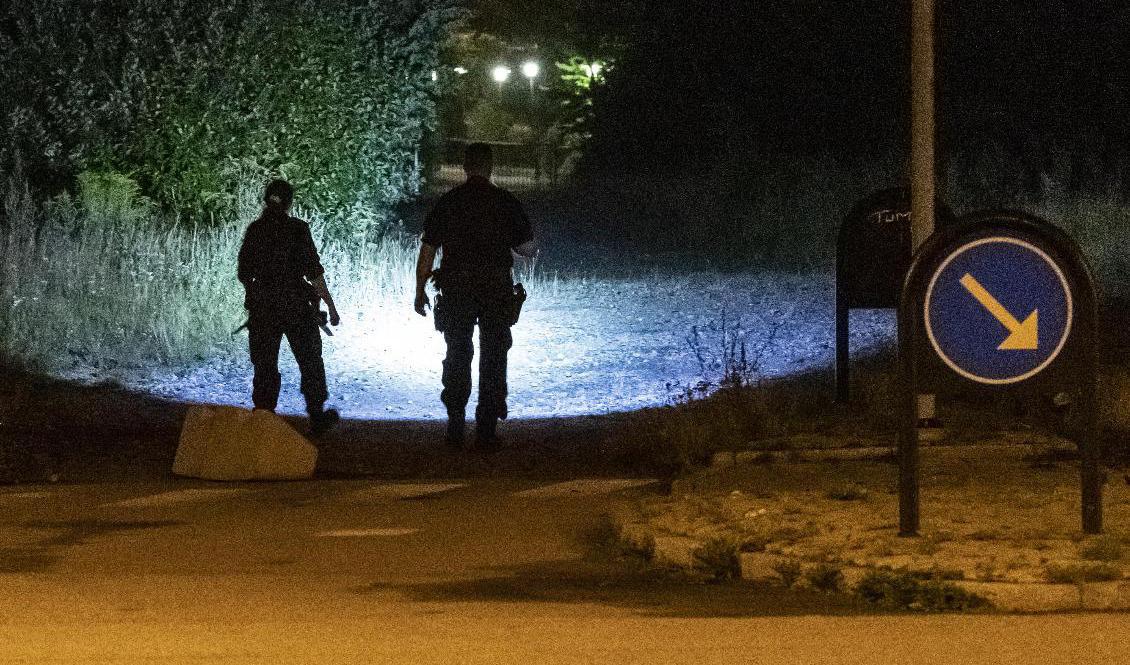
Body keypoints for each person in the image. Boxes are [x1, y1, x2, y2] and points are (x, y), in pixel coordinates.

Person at [415, 143, 536, 451]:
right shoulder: (505, 202)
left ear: (465, 167)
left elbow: (428, 250)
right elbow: (526, 248)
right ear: (490, 167)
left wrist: (419, 290)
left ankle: (456, 424)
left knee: (457, 352)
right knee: (494, 356)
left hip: (456, 288)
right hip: (495, 289)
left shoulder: (449, 202)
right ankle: (486, 431)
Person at [238, 179, 341, 435]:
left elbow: (244, 273)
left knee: (265, 364)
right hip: (296, 306)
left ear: (266, 200)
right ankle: (316, 415)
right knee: (310, 360)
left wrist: (255, 294)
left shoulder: (255, 230)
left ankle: (263, 418)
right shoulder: (297, 229)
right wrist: (330, 306)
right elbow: (314, 273)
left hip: (264, 308)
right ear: (289, 203)